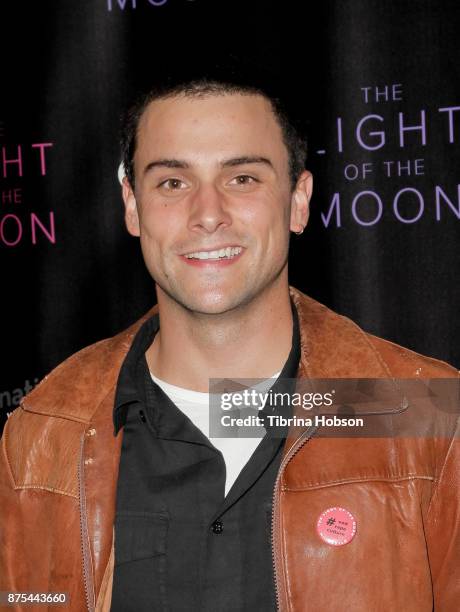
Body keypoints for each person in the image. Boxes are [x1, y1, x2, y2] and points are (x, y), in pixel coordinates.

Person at [1, 77, 458, 612]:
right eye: (172, 183)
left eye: (241, 178)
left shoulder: (428, 418)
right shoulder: (43, 433)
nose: (208, 213)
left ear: (298, 201)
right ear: (132, 206)